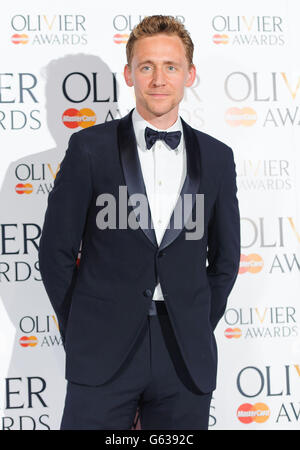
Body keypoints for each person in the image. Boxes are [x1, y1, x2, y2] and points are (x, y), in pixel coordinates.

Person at [39, 15, 240, 430]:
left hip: (184, 354)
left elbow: (226, 259)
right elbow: (55, 252)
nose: (159, 79)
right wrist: (80, 327)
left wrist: (197, 321)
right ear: (129, 74)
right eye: (147, 66)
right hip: (101, 348)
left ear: (190, 74)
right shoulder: (89, 148)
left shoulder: (218, 157)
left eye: (171, 66)